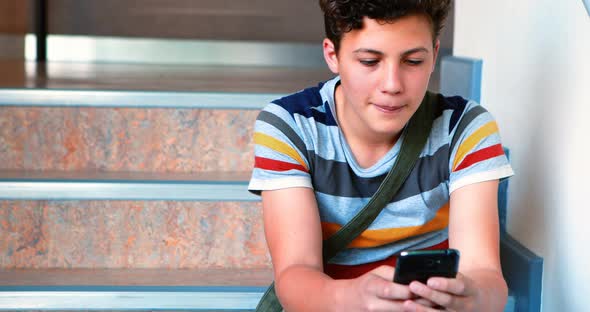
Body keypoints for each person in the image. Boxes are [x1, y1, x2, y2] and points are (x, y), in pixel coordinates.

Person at [248, 0, 514, 311]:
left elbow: (485, 274)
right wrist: (353, 298)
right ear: (332, 54)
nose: (392, 85)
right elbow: (294, 275)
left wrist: (474, 297)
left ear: (434, 55)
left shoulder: (465, 128)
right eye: (370, 61)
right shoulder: (289, 125)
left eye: (413, 61)